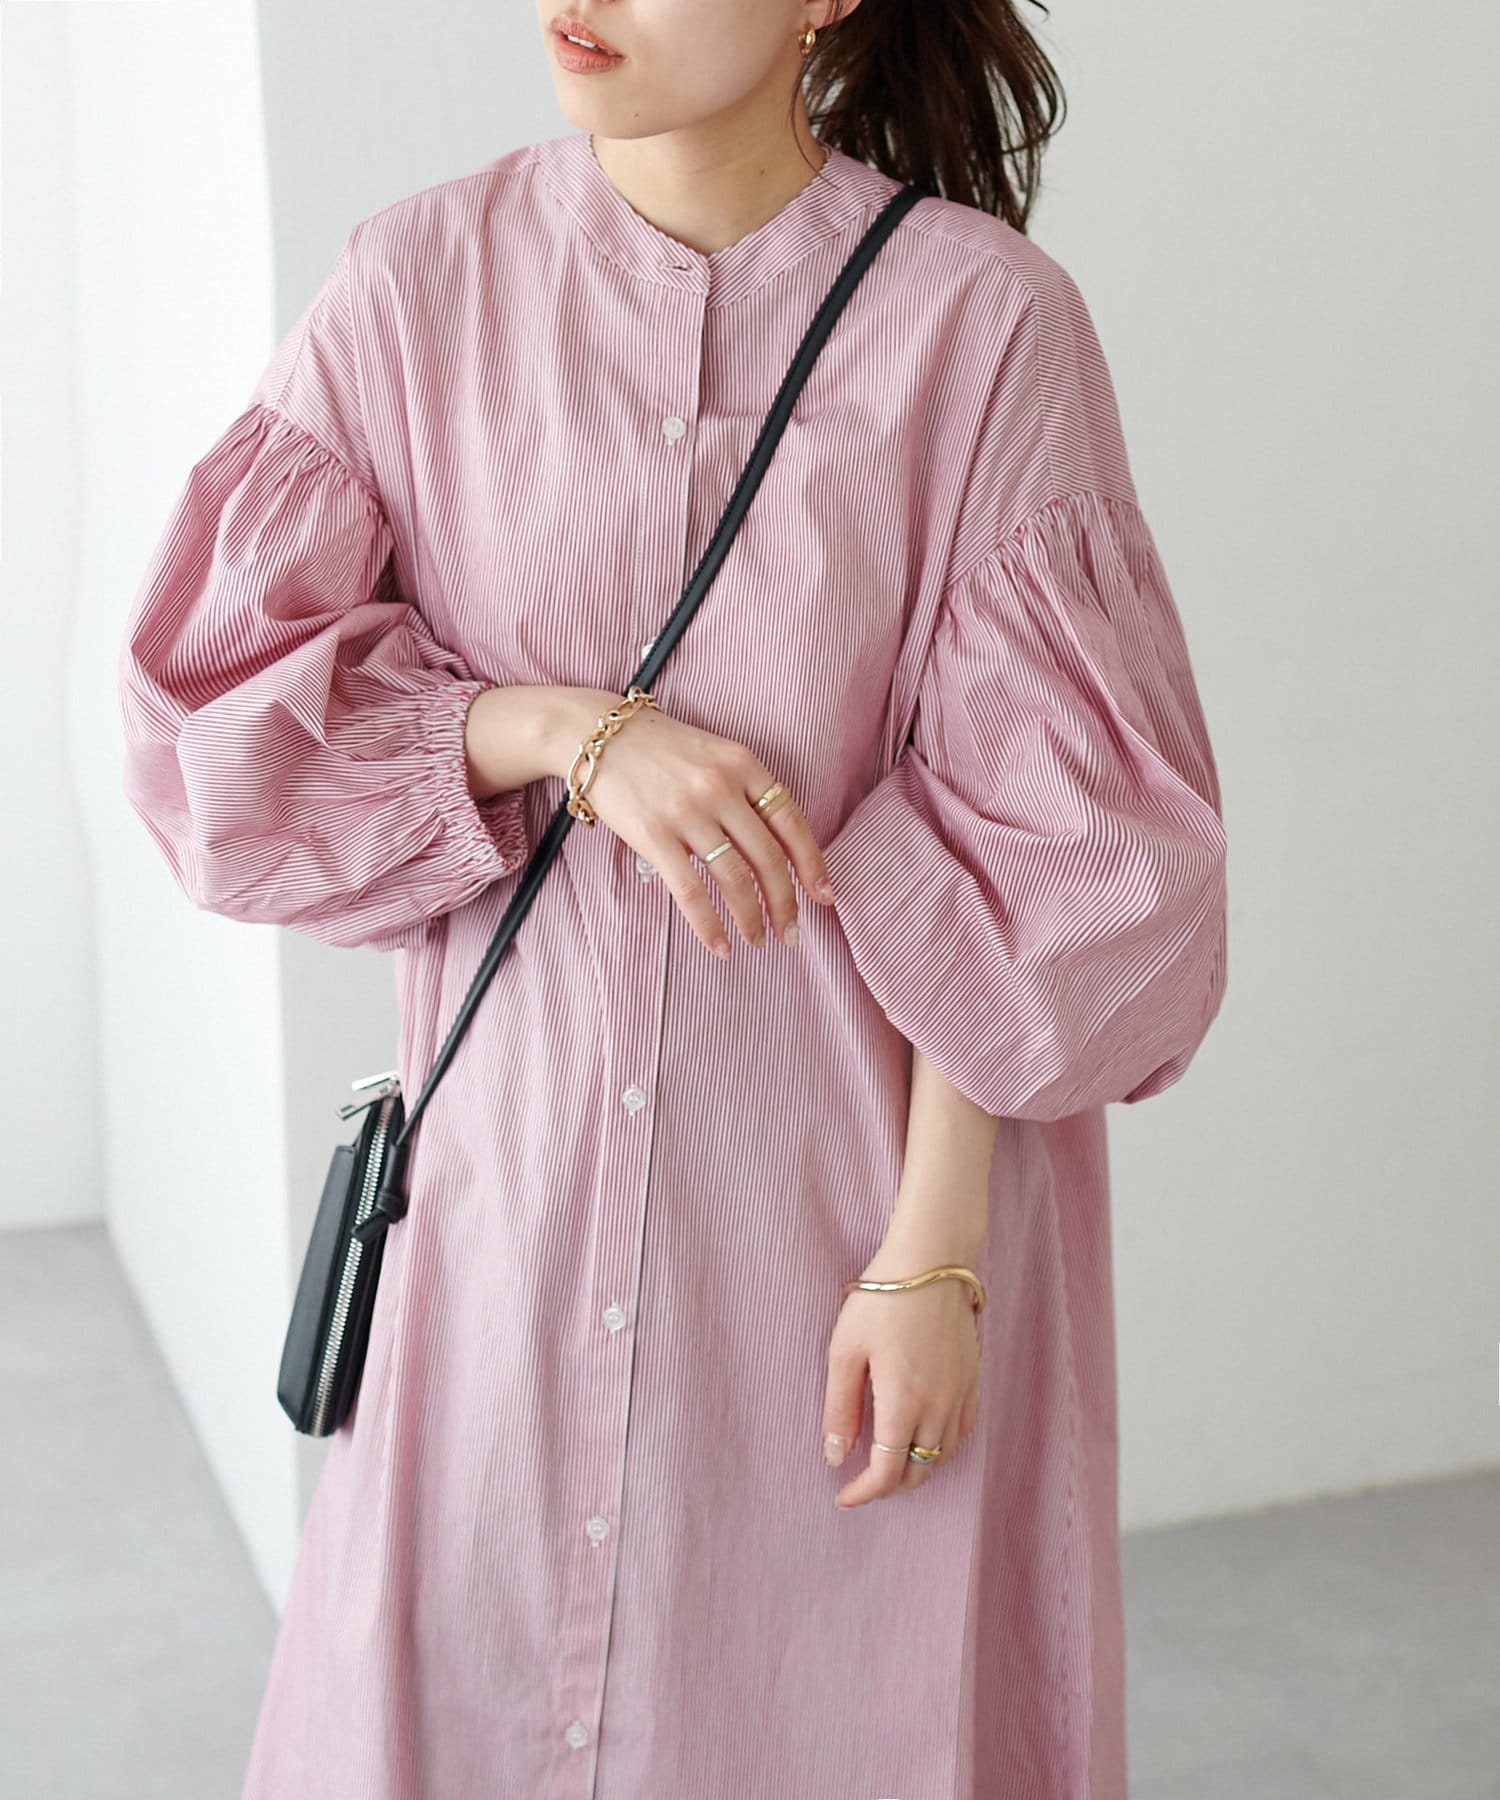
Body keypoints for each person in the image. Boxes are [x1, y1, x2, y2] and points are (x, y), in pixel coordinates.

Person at [117, 1, 1229, 1794]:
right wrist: (554, 731)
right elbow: (214, 725)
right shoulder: (417, 290)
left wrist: (934, 1255)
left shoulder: (983, 329)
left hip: (834, 1231)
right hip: (508, 1225)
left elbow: (1058, 856)